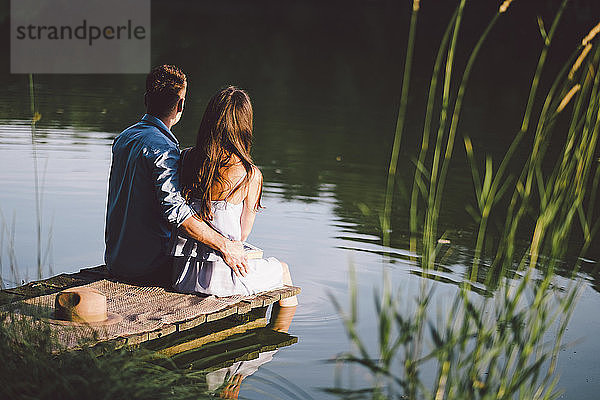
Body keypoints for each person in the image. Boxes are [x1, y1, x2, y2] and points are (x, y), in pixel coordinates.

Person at [105, 65, 248, 285]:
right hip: (150, 267)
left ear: (146, 99)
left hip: (116, 260)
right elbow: (176, 213)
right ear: (180, 105)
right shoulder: (163, 148)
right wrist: (225, 245)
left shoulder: (124, 138)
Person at [170, 86, 298, 307]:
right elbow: (242, 235)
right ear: (246, 126)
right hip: (222, 281)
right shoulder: (250, 175)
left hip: (182, 275)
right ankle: (280, 333)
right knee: (283, 270)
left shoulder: (186, 159)